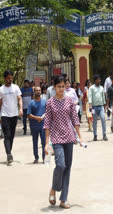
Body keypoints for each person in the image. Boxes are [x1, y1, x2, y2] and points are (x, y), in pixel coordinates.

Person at [44, 76, 82, 209]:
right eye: (58, 86)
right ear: (54, 87)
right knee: (60, 165)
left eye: (63, 86)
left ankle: (63, 199)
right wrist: (47, 143)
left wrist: (80, 136)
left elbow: (75, 119)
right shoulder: (50, 103)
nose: (61, 89)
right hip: (56, 138)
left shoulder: (70, 101)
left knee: (68, 168)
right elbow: (47, 123)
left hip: (69, 138)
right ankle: (53, 189)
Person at [0, 70, 23, 165]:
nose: (10, 79)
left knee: (12, 136)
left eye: (11, 77)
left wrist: (21, 109)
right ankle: (8, 153)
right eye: (8, 77)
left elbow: (19, 98)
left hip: (14, 115)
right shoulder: (1, 90)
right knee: (7, 135)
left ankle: (9, 152)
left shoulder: (16, 87)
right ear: (5, 78)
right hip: (4, 115)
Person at [28, 86, 46, 164]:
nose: (38, 92)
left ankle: (44, 158)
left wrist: (42, 117)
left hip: (43, 125)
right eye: (37, 90)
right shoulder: (31, 103)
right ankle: (36, 157)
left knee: (44, 142)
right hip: (34, 125)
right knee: (35, 142)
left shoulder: (45, 101)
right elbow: (28, 114)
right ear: (34, 92)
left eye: (39, 90)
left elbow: (48, 112)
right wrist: (36, 118)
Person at [88, 75, 108, 141]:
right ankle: (95, 135)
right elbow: (90, 96)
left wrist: (105, 105)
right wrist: (90, 105)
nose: (99, 80)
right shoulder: (91, 88)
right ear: (95, 80)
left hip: (101, 106)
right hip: (94, 107)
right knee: (95, 122)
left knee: (103, 120)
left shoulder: (102, 87)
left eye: (100, 79)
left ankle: (104, 135)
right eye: (98, 79)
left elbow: (103, 97)